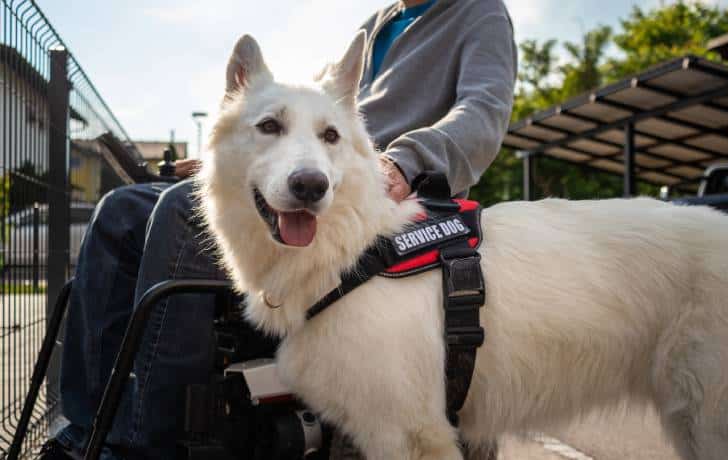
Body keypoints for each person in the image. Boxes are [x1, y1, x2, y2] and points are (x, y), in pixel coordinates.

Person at [45, 0, 516, 458]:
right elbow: (307, 117)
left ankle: (151, 442)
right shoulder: (379, 22)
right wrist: (232, 158)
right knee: (120, 210)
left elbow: (484, 112)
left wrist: (405, 161)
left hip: (389, 191)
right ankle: (86, 430)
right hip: (325, 167)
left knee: (179, 212)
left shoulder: (478, 10)